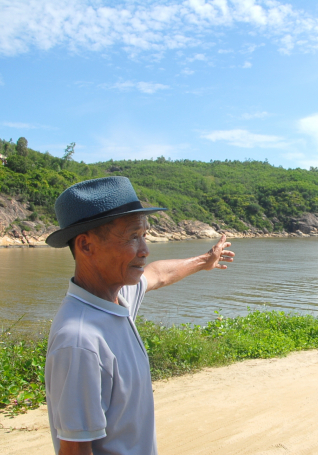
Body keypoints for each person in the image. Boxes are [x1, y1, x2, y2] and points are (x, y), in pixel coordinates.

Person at [44, 176, 234, 455]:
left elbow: (158, 274)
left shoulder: (115, 299)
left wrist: (204, 261)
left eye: (144, 235)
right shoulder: (80, 341)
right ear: (85, 246)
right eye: (133, 237)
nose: (145, 250)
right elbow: (75, 449)